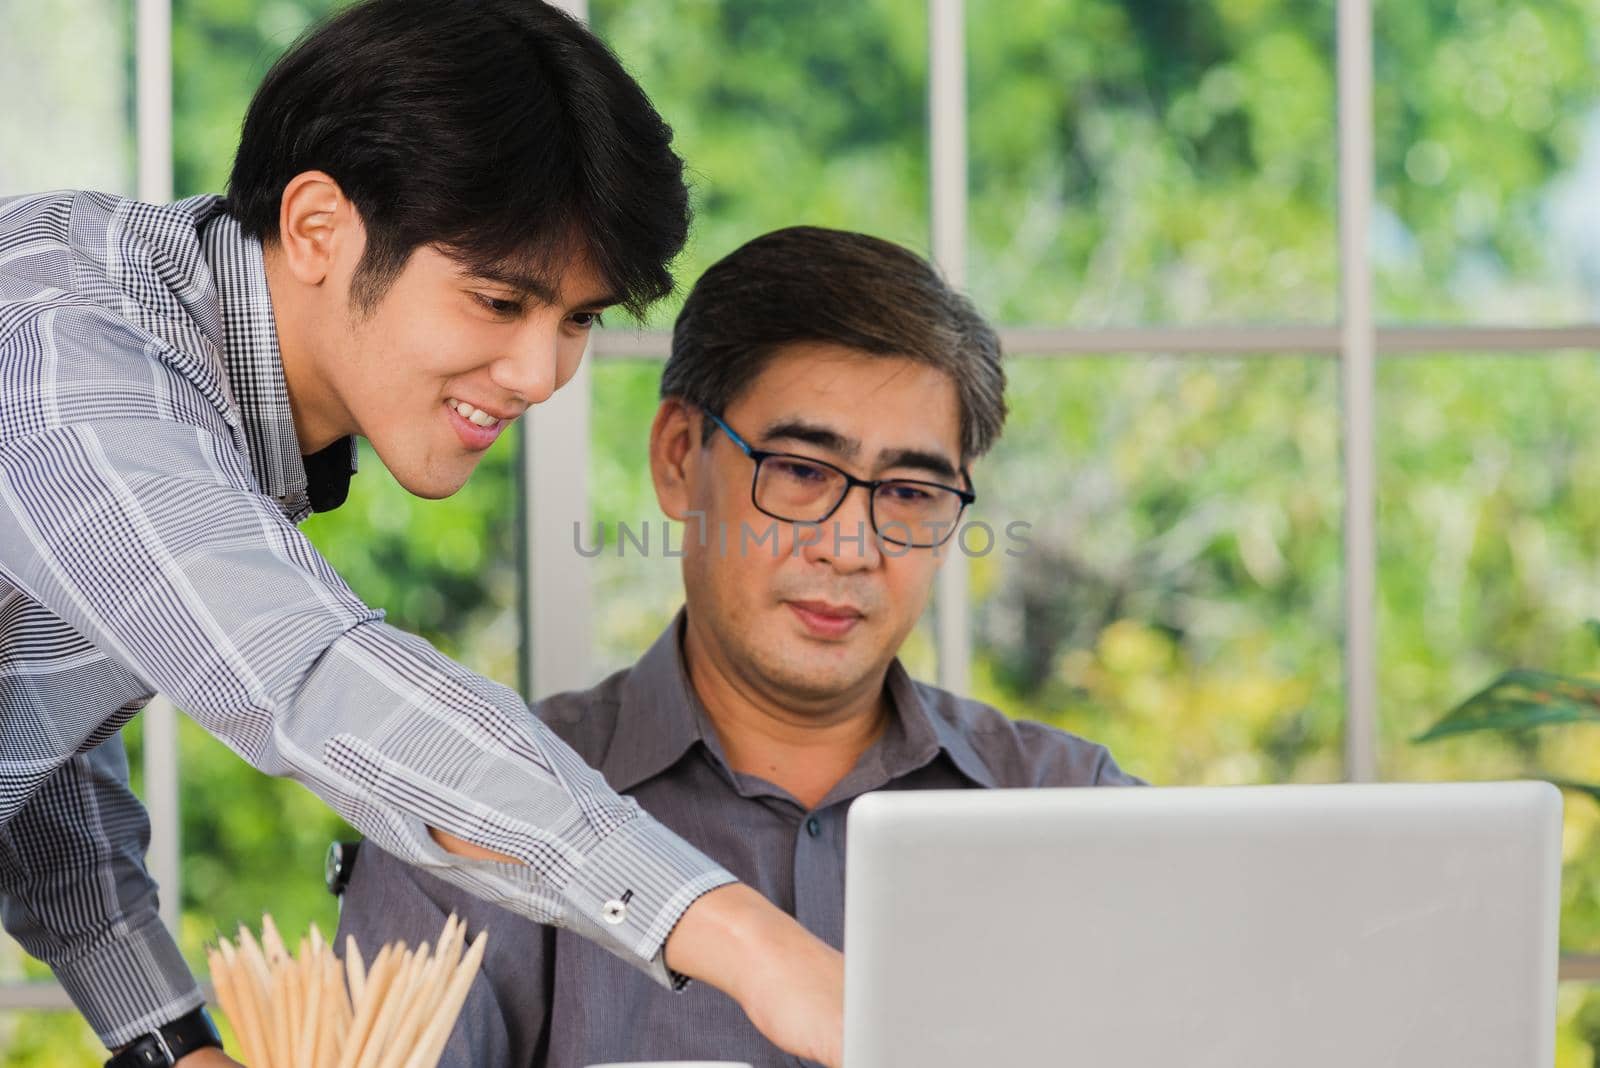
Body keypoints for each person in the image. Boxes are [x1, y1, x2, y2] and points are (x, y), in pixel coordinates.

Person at [0, 4, 841, 1066]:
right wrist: (753, 947)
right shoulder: (67, 365)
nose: (540, 375)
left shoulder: (160, 368)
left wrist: (166, 1039)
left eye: (578, 319)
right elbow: (312, 677)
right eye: (498, 300)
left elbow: (28, 710)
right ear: (316, 227)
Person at [335, 226, 1143, 1067]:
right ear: (680, 458)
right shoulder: (464, 816)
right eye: (799, 471)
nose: (851, 546)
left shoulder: (1076, 810)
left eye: (909, 491)